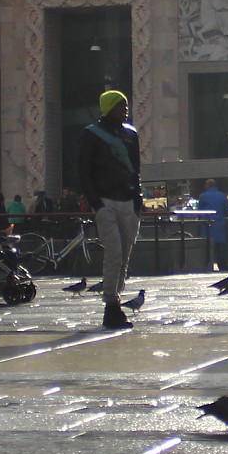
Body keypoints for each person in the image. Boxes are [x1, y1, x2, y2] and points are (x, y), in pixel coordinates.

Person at [72, 92, 143, 329]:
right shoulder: (91, 135)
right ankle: (111, 304)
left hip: (127, 202)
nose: (125, 109)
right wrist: (96, 203)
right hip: (106, 201)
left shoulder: (130, 134)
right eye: (120, 106)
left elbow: (136, 170)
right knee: (114, 251)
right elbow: (84, 170)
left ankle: (116, 300)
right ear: (109, 107)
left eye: (125, 106)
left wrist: (137, 199)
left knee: (124, 256)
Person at [196, 178, 228, 271]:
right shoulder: (222, 196)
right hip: (220, 226)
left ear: (207, 186)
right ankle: (223, 268)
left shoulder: (203, 197)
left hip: (207, 227)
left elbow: (199, 212)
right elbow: (227, 210)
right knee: (221, 250)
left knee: (208, 250)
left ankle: (208, 267)